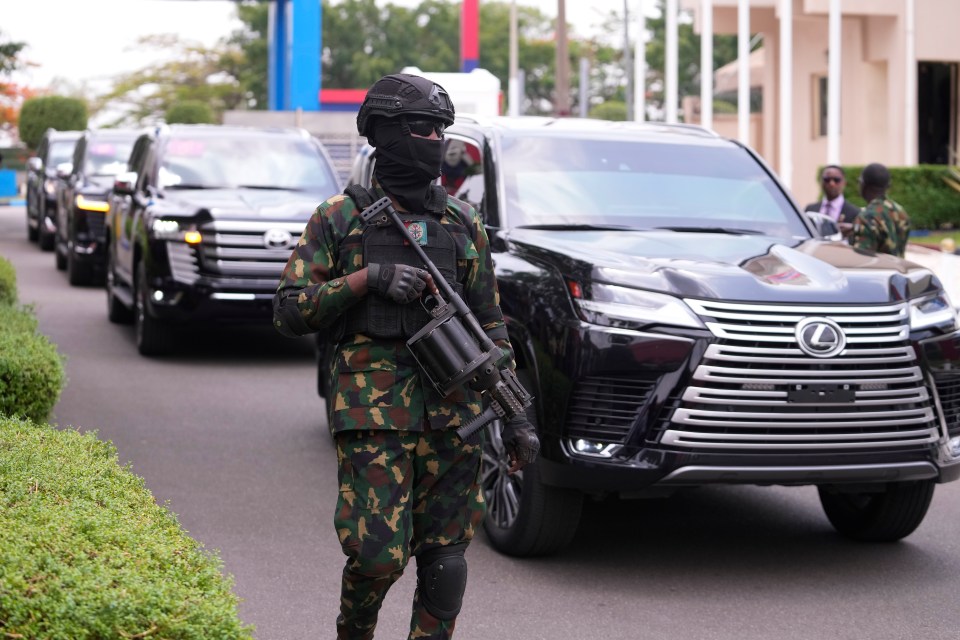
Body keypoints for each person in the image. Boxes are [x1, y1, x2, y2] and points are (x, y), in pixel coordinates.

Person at [272, 73, 539, 640]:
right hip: (375, 417)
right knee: (376, 558)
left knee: (446, 563)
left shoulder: (462, 224)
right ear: (386, 133)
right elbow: (289, 311)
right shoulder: (338, 219)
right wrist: (367, 280)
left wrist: (517, 416)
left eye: (441, 130)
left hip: (456, 418)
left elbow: (490, 323)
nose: (436, 141)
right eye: (423, 128)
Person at [851, 162, 911, 258]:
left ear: (863, 185)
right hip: (898, 271)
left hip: (879, 272)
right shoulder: (900, 211)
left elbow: (861, 259)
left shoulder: (866, 218)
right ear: (888, 186)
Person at [804, 165, 860, 239]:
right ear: (821, 182)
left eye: (836, 180)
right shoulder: (810, 209)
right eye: (827, 179)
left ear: (844, 183)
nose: (831, 183)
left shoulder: (855, 213)